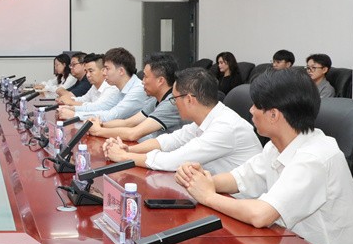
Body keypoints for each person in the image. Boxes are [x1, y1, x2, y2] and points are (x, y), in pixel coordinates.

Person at [175, 68, 353, 244]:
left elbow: (261, 215)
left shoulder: (315, 157)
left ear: (273, 115)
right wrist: (201, 179)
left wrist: (207, 196)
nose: (250, 110)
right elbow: (240, 178)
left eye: (256, 105)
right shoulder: (277, 146)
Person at [103, 67, 261, 173]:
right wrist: (128, 150)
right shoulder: (206, 118)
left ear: (190, 100)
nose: (173, 103)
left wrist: (123, 157)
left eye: (174, 98)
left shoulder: (225, 127)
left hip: (236, 202)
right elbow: (171, 141)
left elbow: (175, 160)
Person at [87, 52, 185, 141]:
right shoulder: (155, 100)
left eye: (145, 77)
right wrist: (101, 124)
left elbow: (133, 133)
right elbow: (128, 123)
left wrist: (98, 130)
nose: (142, 82)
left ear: (160, 81)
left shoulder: (171, 103)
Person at [59, 47, 154, 123]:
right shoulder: (118, 87)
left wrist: (74, 115)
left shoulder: (138, 89)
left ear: (121, 71)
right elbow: (101, 108)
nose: (104, 73)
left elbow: (111, 115)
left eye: (107, 69)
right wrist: (73, 109)